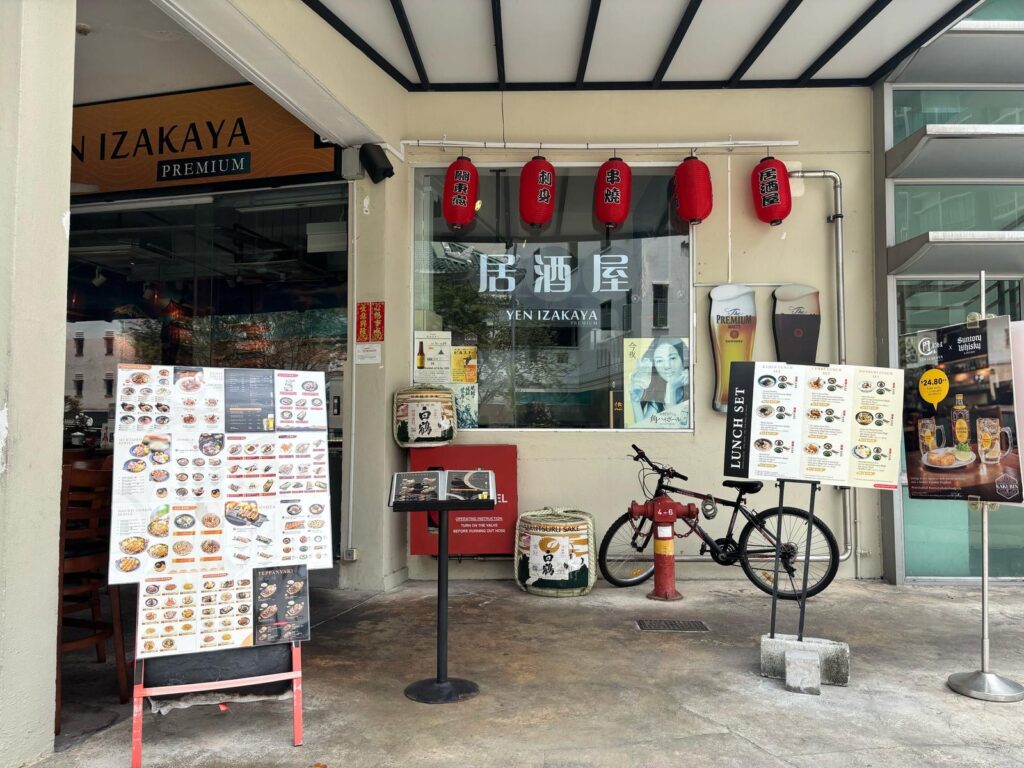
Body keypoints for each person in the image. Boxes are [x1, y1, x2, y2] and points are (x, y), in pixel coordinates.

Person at [629, 338, 689, 427]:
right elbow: (643, 430)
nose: (667, 366)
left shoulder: (695, 391)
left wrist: (671, 388)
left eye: (672, 358)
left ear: (684, 360)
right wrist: (635, 401)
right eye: (660, 361)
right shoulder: (659, 398)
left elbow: (674, 429)